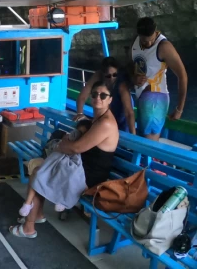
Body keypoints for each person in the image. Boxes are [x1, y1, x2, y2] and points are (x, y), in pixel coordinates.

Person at [10, 80, 118, 238]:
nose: (98, 98)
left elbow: (76, 148)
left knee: (39, 173)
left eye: (103, 95)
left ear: (110, 99)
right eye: (95, 94)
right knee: (41, 170)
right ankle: (37, 215)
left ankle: (28, 227)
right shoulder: (96, 119)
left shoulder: (106, 123)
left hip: (89, 176)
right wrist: (66, 145)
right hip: (80, 166)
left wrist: (61, 146)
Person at [131, 17, 188, 140]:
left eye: (151, 40)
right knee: (143, 137)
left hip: (155, 99)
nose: (149, 44)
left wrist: (179, 109)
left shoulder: (164, 47)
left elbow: (182, 75)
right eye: (145, 42)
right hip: (141, 96)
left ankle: (151, 159)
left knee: (149, 141)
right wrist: (134, 78)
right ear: (139, 35)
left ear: (156, 31)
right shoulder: (135, 42)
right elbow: (131, 64)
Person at [73, 57, 136, 134]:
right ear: (103, 75)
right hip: (105, 113)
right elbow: (82, 96)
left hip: (122, 110)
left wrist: (133, 136)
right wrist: (80, 114)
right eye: (108, 76)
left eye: (115, 75)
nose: (112, 78)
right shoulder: (98, 75)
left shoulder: (121, 85)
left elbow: (129, 112)